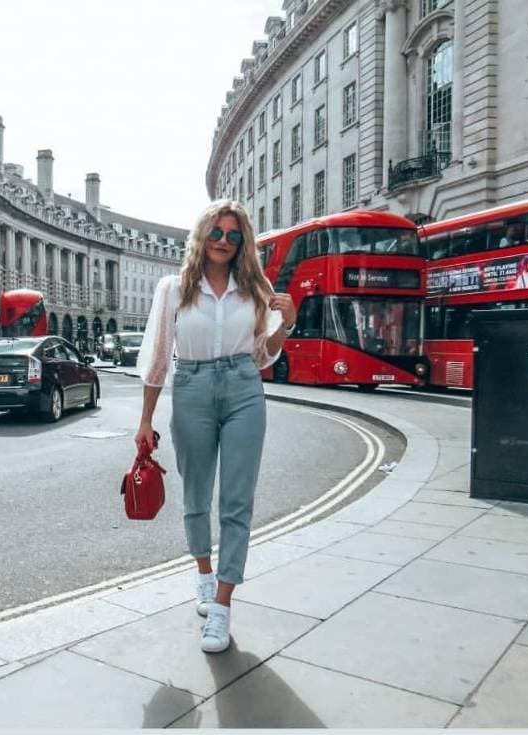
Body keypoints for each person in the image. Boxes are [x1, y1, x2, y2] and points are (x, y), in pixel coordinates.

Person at [135, 200, 296, 654]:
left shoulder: (255, 288)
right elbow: (159, 356)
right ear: (202, 236)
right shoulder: (174, 287)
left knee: (237, 501)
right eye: (217, 232)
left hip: (245, 387)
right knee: (195, 495)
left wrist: (289, 323)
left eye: (233, 235)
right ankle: (204, 574)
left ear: (242, 241)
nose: (224, 241)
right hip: (192, 387)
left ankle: (222, 606)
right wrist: (145, 419)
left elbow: (264, 354)